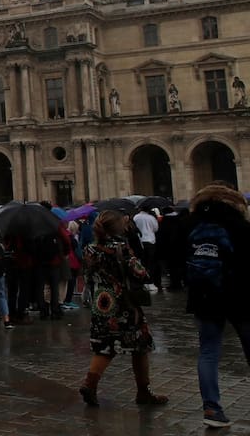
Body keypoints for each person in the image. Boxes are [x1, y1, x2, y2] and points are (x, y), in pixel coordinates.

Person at [78, 210, 167, 407]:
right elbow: (141, 274)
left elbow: (88, 274)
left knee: (105, 346)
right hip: (124, 304)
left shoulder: (90, 249)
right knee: (140, 345)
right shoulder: (121, 248)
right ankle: (143, 391)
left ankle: (89, 384)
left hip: (101, 303)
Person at [186, 183, 250, 429]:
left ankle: (211, 408)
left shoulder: (191, 226)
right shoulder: (240, 227)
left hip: (204, 297)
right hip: (241, 296)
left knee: (208, 352)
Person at [133, 205, 161, 291]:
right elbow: (156, 229)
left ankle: (143, 281)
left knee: (143, 262)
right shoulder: (151, 218)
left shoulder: (136, 217)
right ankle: (150, 281)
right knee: (151, 262)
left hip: (140, 241)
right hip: (150, 241)